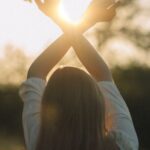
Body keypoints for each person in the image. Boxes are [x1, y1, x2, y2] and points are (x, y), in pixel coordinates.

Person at [19, 0, 139, 150]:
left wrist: (81, 20)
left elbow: (36, 72)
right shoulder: (123, 145)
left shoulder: (40, 142)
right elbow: (102, 74)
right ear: (98, 105)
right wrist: (81, 19)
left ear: (48, 103)